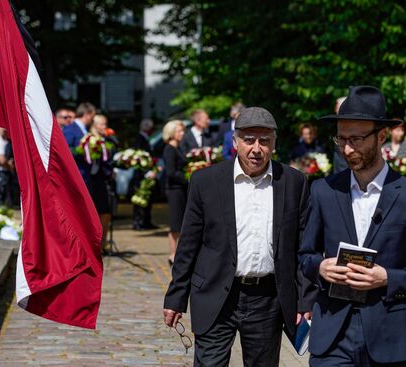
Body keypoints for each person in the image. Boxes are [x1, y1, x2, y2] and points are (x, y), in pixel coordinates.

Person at [299, 85, 406, 366]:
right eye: (340, 139)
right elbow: (304, 255)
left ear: (381, 136)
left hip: (390, 336)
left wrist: (388, 278)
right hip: (332, 335)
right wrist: (320, 266)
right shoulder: (323, 191)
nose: (346, 149)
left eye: (355, 139)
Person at [164, 107, 316, 366]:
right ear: (235, 142)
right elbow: (188, 244)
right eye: (249, 140)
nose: (256, 148)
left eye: (264, 141)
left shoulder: (293, 182)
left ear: (274, 144)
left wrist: (305, 300)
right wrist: (176, 297)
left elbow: (303, 246)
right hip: (216, 293)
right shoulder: (205, 181)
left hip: (267, 300)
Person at [88, 114, 115, 256]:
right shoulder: (89, 139)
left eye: (105, 124)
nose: (104, 127)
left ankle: (102, 243)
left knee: (106, 213)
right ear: (95, 125)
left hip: (103, 179)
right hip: (94, 179)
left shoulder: (107, 140)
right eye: (102, 124)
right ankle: (95, 244)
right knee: (98, 213)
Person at [162, 120, 187, 265]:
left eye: (182, 131)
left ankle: (177, 252)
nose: (182, 133)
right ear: (171, 133)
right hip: (174, 189)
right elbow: (170, 172)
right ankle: (173, 254)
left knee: (180, 222)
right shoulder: (169, 149)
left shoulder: (178, 148)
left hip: (180, 189)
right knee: (175, 223)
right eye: (179, 131)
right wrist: (187, 179)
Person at [131, 118, 157, 230]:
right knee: (140, 199)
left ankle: (146, 221)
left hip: (146, 173)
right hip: (141, 175)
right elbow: (139, 157)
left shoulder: (144, 139)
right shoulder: (139, 139)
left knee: (147, 199)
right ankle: (138, 222)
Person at [63, 102, 96, 183]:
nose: (93, 119)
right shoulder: (70, 129)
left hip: (85, 173)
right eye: (92, 116)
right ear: (87, 115)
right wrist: (83, 152)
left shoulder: (86, 129)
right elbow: (66, 150)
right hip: (76, 173)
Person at [332, 96, 349, 174]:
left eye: (338, 107)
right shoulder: (335, 124)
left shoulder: (350, 126)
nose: (336, 109)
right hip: (337, 168)